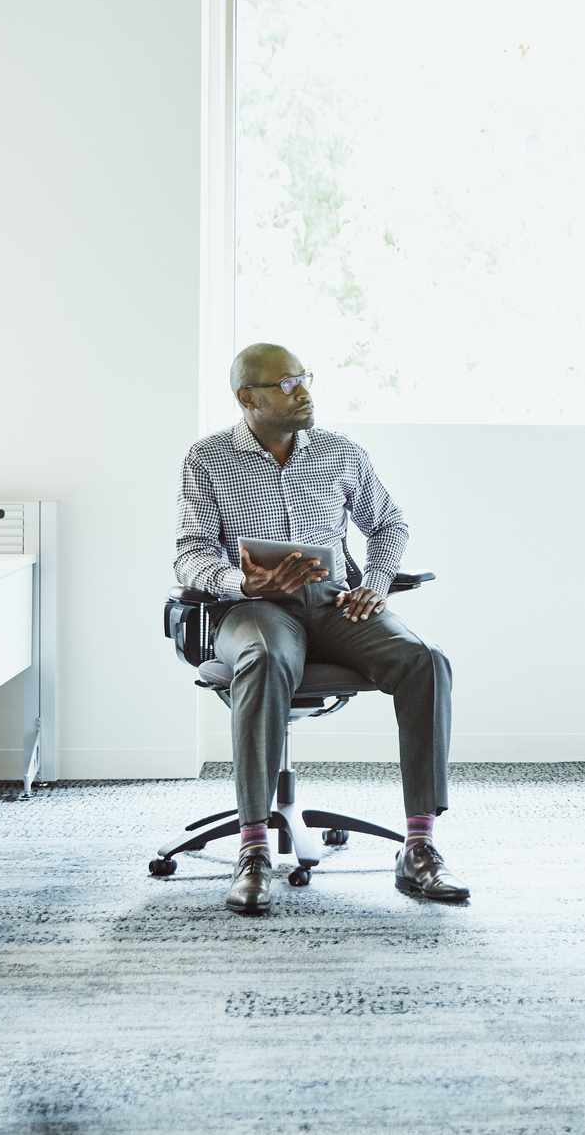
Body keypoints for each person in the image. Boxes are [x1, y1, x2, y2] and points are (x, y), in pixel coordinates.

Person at [174, 342, 467, 917]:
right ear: (247, 398)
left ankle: (421, 846)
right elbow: (189, 554)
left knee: (424, 660)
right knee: (263, 659)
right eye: (285, 384)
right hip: (254, 609)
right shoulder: (207, 459)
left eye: (304, 378)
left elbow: (388, 524)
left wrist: (376, 584)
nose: (302, 390)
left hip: (335, 603)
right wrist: (241, 582)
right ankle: (254, 850)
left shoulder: (339, 452)